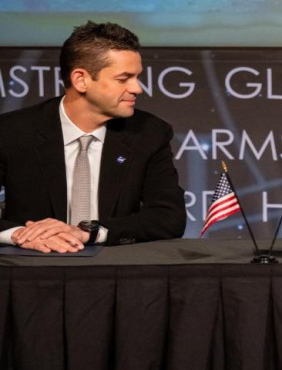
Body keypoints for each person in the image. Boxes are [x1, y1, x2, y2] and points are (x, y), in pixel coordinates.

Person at [0, 21, 186, 252]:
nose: (137, 88)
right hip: (30, 266)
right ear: (81, 80)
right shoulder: (11, 132)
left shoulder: (149, 133)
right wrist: (20, 235)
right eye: (123, 78)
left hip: (114, 267)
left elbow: (169, 217)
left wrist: (91, 232)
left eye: (137, 77)